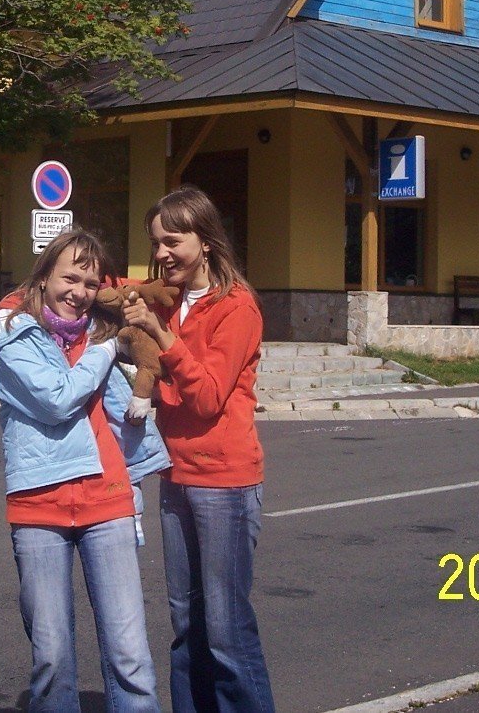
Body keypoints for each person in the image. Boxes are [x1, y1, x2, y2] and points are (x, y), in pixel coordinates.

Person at [0, 230, 165, 713]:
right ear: (43, 277)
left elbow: (158, 326)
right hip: (39, 509)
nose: (79, 291)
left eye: (89, 282)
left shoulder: (98, 326)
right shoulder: (9, 331)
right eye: (69, 277)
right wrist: (108, 349)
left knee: (130, 658)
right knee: (52, 658)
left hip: (108, 501)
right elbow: (57, 399)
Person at [122, 187, 274, 713]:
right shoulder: (166, 300)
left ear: (205, 242)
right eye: (155, 242)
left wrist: (162, 339)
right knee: (186, 624)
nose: (162, 253)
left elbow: (208, 397)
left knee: (226, 629)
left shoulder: (237, 307)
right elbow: (89, 288)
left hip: (226, 485)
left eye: (173, 241)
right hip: (177, 477)